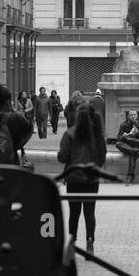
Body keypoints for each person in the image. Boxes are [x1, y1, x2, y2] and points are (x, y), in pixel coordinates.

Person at [57, 96, 108, 254]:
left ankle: (72, 242)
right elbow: (102, 156)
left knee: (74, 212)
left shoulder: (70, 133)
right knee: (89, 212)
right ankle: (90, 242)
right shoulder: (97, 135)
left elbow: (62, 157)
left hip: (74, 179)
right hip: (92, 179)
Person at [114, 108, 139, 184]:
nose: (133, 116)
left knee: (132, 153)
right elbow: (118, 139)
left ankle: (129, 177)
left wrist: (138, 133)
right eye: (131, 115)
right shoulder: (123, 124)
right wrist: (123, 137)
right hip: (128, 145)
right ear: (128, 116)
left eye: (135, 114)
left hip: (138, 143)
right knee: (118, 144)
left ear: (137, 115)